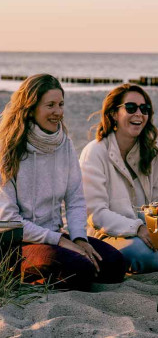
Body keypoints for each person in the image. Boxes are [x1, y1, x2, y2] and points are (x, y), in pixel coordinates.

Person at [0, 74, 126, 291]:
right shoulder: (7, 150)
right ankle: (20, 272)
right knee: (80, 269)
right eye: (50, 105)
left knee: (115, 265)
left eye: (60, 104)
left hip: (54, 235)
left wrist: (78, 239)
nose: (58, 112)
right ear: (30, 108)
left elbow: (75, 198)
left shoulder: (63, 144)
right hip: (18, 243)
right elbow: (10, 221)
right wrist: (59, 241)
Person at [79, 84, 158, 274]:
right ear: (114, 113)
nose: (139, 114)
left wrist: (156, 232)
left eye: (144, 109)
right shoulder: (95, 152)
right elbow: (95, 214)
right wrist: (136, 228)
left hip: (151, 231)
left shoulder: (155, 156)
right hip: (107, 234)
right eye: (131, 108)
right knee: (144, 255)